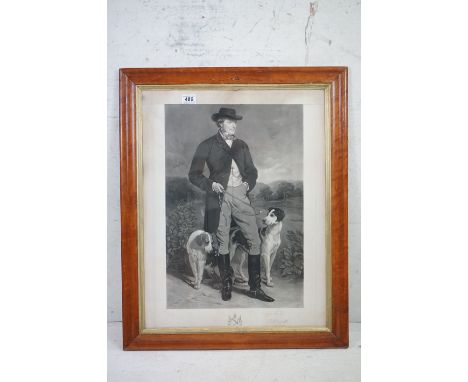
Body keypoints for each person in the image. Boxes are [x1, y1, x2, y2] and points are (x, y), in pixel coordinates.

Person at [188, 107, 274, 302]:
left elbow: (252, 171)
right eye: (229, 121)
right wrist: (211, 184)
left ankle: (255, 288)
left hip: (241, 195)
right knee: (222, 241)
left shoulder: (242, 145)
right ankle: (226, 286)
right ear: (220, 123)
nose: (234, 125)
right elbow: (194, 175)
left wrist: (247, 184)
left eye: (235, 122)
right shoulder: (207, 145)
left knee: (255, 239)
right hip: (219, 197)